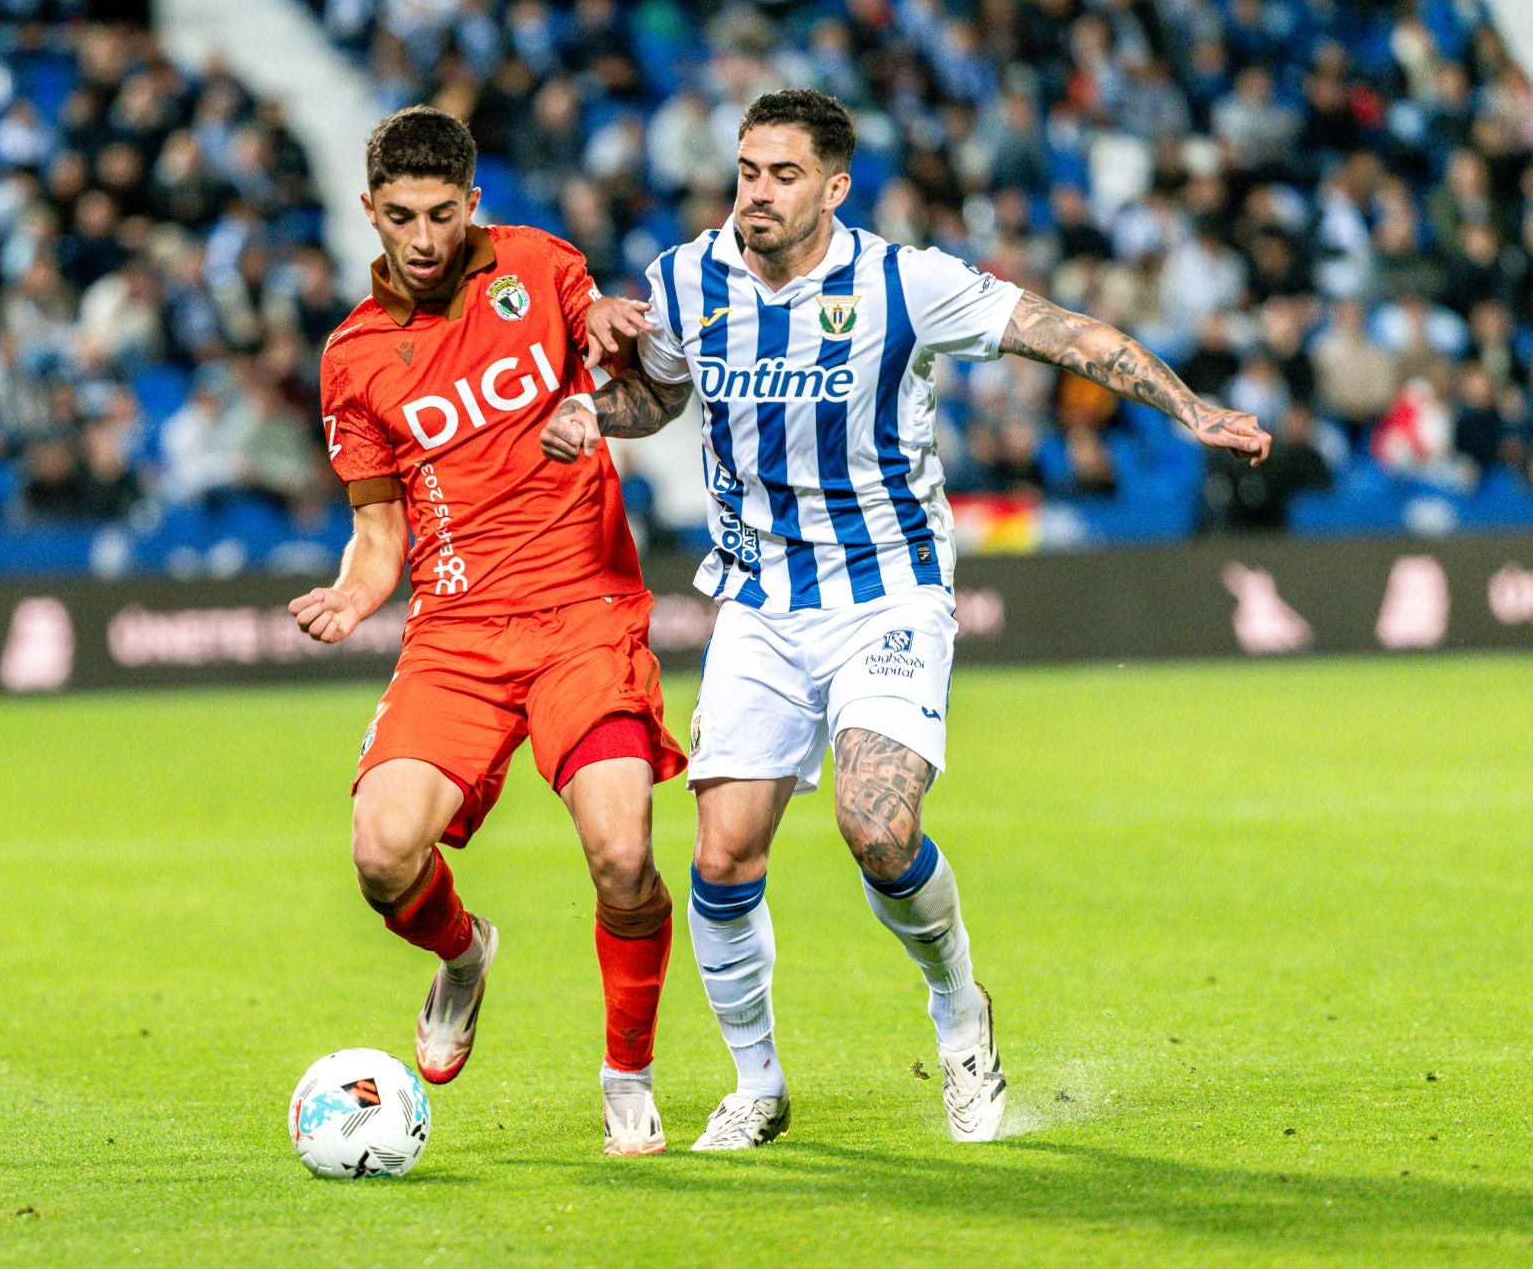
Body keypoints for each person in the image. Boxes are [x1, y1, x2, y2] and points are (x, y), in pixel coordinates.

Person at [544, 89, 1270, 1150]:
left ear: (834, 187)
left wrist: (1188, 407)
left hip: (888, 589)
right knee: (722, 857)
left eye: (783, 174)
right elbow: (659, 397)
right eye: (748, 171)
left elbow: (1062, 333)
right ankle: (758, 1084)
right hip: (759, 598)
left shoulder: (902, 281)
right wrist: (588, 412)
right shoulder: (685, 279)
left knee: (878, 825)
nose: (757, 193)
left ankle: (960, 1013)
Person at [287, 108, 687, 1156]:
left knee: (623, 854)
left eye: (440, 214)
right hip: (457, 633)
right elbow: (379, 533)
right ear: (369, 210)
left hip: (584, 614)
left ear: (472, 204)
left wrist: (611, 327)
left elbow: (618, 354)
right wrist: (355, 593)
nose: (422, 239)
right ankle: (464, 955)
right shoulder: (353, 357)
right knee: (383, 854)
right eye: (400, 217)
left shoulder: (538, 268)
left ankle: (628, 1074)